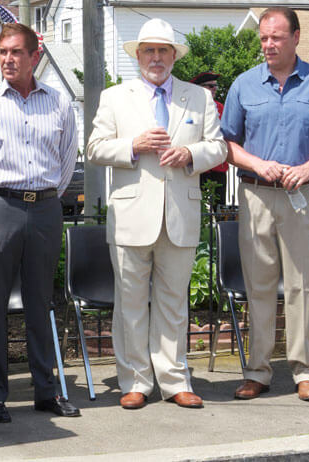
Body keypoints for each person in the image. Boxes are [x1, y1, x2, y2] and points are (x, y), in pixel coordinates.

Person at [87, 18, 226, 410]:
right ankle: (134, 380)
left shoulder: (197, 98)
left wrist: (190, 155)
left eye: (163, 50)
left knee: (173, 302)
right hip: (132, 216)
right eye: (148, 50)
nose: (156, 57)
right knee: (130, 303)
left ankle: (174, 380)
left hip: (180, 215)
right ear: (137, 55)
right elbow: (95, 148)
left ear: (174, 56)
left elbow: (219, 149)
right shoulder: (116, 97)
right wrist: (133, 145)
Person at [221, 7, 309, 402]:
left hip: (303, 196)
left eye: (276, 37)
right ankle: (257, 372)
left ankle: (305, 372)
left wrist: (307, 167)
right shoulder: (244, 85)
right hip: (256, 194)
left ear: (296, 37)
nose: (268, 45)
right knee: (258, 286)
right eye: (263, 38)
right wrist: (257, 163)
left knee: (302, 287)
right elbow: (227, 144)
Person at [0, 23, 79, 423]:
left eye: (15, 52)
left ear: (34, 57)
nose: (7, 59)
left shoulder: (60, 105)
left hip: (45, 209)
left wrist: (43, 197)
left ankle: (45, 391)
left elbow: (65, 165)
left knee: (41, 302)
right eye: (3, 51)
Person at [190, 71, 229, 211]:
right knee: (196, 206)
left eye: (215, 86)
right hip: (198, 164)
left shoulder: (220, 107)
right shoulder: (190, 107)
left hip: (218, 165)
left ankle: (219, 231)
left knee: (219, 206)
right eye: (210, 86)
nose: (215, 89)